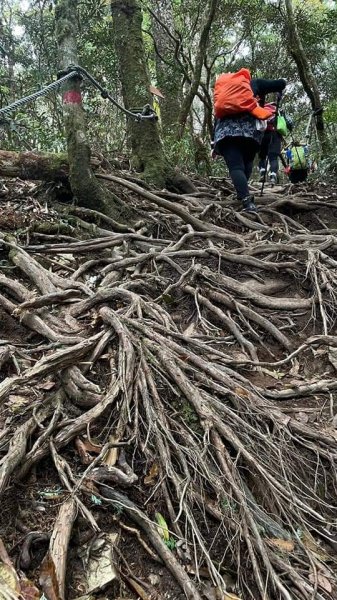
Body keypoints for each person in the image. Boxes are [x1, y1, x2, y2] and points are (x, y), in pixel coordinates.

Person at [213, 75, 287, 213]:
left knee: (235, 167)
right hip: (250, 134)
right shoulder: (256, 83)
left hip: (226, 132)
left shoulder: (223, 90)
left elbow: (217, 114)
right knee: (246, 164)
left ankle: (245, 199)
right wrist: (283, 83)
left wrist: (213, 142)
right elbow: (280, 83)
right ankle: (244, 195)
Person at [258, 104, 293, 186]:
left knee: (262, 156)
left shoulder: (262, 108)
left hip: (263, 134)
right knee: (273, 158)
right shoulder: (280, 111)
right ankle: (273, 176)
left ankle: (262, 173)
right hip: (275, 135)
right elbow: (290, 123)